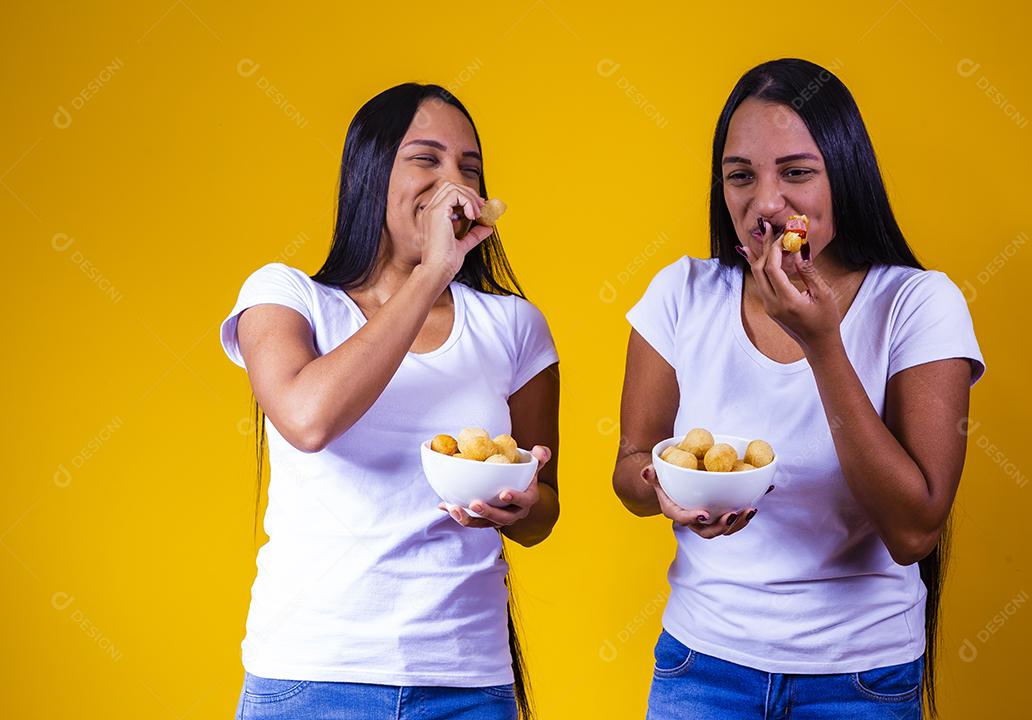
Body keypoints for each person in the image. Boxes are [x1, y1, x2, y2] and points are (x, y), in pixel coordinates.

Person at [612, 58, 984, 719]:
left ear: (844, 172)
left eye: (796, 172)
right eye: (740, 177)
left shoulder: (920, 304)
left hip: (858, 683)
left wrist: (822, 345)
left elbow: (914, 530)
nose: (766, 204)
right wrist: (660, 490)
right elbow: (631, 464)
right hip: (702, 670)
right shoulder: (681, 292)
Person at [220, 83, 560, 720]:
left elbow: (546, 512)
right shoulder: (285, 296)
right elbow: (307, 418)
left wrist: (521, 506)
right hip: (312, 678)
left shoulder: (515, 326)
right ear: (371, 173)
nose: (453, 183)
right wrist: (432, 270)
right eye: (426, 159)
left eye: (470, 168)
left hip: (468, 682)